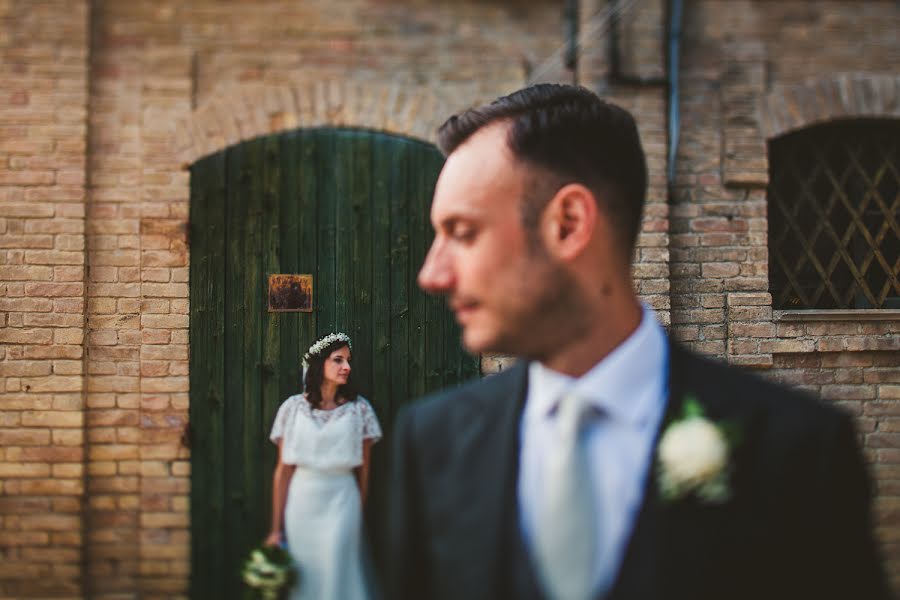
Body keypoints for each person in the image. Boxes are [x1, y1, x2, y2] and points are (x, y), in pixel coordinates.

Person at [387, 84, 888, 600]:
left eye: (463, 232)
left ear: (568, 224)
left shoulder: (797, 450)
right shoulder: (432, 442)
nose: (432, 273)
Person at [267, 332, 382, 600]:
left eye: (348, 361)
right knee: (305, 574)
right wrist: (275, 528)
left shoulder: (359, 410)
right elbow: (283, 470)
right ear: (320, 365)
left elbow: (364, 469)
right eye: (338, 360)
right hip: (302, 503)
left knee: (339, 568)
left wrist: (359, 510)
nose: (347, 367)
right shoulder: (292, 409)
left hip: (343, 500)